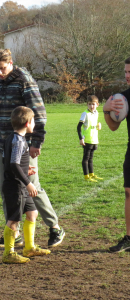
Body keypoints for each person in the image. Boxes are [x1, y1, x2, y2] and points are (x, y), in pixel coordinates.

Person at [0, 49, 65, 248]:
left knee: (32, 188)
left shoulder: (24, 80)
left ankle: (55, 227)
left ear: (10, 63)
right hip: (4, 144)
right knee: (8, 190)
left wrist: (36, 141)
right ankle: (13, 231)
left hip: (24, 146)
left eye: (2, 68)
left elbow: (39, 113)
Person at [2, 106, 51, 264]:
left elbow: (11, 162)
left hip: (20, 184)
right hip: (15, 187)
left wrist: (26, 169)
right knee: (14, 220)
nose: (35, 123)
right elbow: (14, 165)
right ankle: (8, 254)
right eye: (34, 120)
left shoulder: (13, 137)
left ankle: (29, 248)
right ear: (28, 123)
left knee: (32, 212)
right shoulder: (18, 140)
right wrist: (28, 183)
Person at [103, 57, 130, 253]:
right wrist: (106, 110)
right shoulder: (122, 98)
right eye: (126, 72)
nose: (127, 76)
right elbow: (113, 127)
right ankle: (129, 238)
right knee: (129, 193)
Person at [77, 95, 103, 182]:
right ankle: (86, 176)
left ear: (97, 104)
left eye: (93, 104)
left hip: (94, 139)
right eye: (89, 104)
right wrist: (81, 138)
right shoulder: (85, 114)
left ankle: (92, 174)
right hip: (87, 139)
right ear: (87, 105)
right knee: (86, 158)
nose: (91, 106)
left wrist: (98, 126)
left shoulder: (96, 113)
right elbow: (78, 127)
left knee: (91, 158)